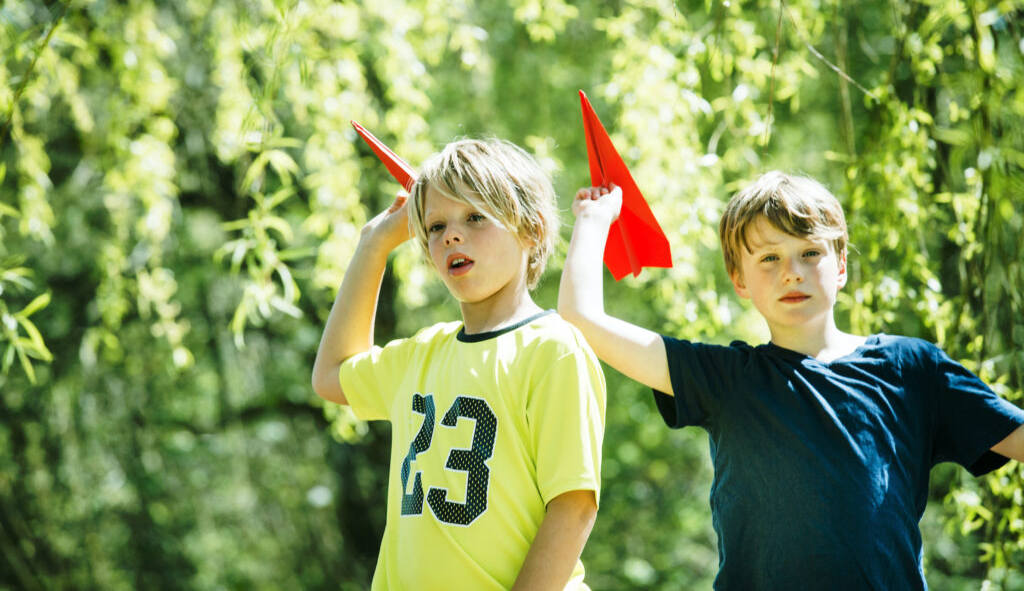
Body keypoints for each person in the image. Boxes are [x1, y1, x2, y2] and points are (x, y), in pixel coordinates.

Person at [559, 171, 1024, 590]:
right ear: (738, 279)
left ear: (840, 264)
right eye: (768, 258)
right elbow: (582, 318)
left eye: (810, 252)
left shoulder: (911, 368)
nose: (792, 272)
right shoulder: (725, 381)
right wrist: (594, 219)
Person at [313, 138, 605, 590]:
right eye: (434, 226)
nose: (450, 235)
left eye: (475, 217)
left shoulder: (552, 348)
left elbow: (574, 506)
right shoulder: (422, 353)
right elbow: (332, 375)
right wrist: (373, 246)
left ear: (531, 230)